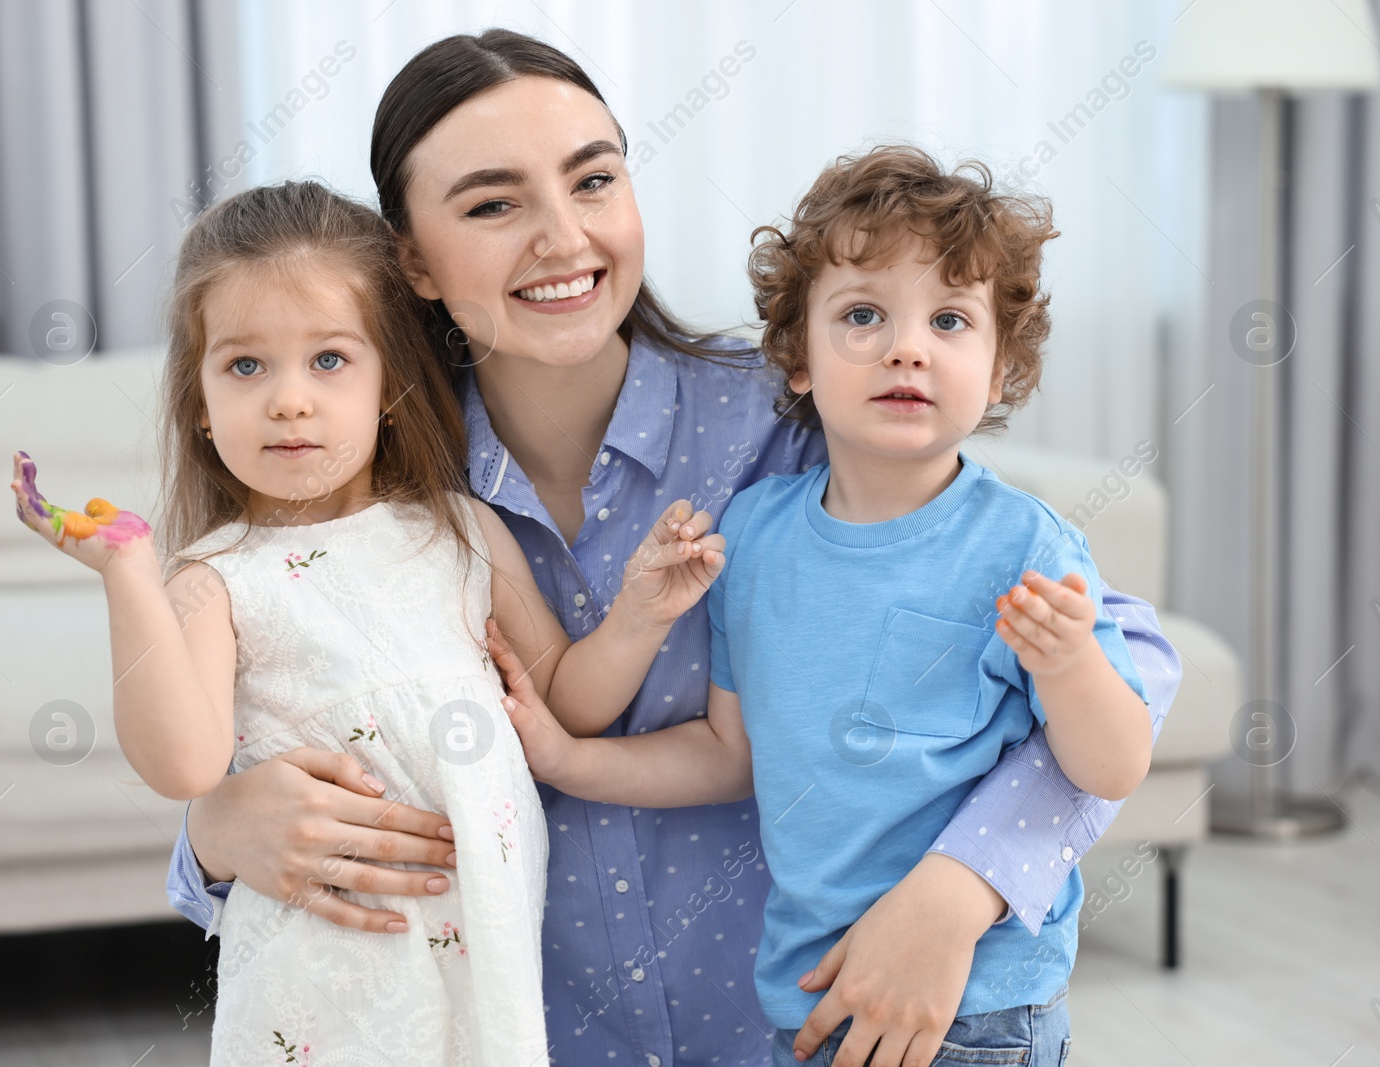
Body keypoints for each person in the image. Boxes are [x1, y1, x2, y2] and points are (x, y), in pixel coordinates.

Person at [167, 29, 1183, 1067]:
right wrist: (213, 836)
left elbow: (1128, 668)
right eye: (493, 203)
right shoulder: (369, 488)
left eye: (593, 180)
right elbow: (273, 707)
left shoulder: (798, 414)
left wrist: (957, 889)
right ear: (413, 261)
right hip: (534, 1034)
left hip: (814, 1022)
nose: (564, 237)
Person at [10, 179, 722, 1065]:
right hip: (325, 960)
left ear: (389, 379)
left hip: (487, 948)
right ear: (198, 402)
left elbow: (569, 699)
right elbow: (183, 762)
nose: (289, 400)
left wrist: (643, 613)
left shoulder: (461, 529)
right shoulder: (217, 578)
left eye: (329, 360)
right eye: (244, 366)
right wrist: (128, 575)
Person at [489, 144, 1150, 1067]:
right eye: (863, 315)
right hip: (803, 1002)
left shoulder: (1024, 547)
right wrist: (568, 758)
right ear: (797, 362)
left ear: (1000, 372)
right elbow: (728, 754)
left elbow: (1111, 764)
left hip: (974, 1010)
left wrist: (1073, 667)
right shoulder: (753, 536)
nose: (906, 346)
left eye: (951, 320)